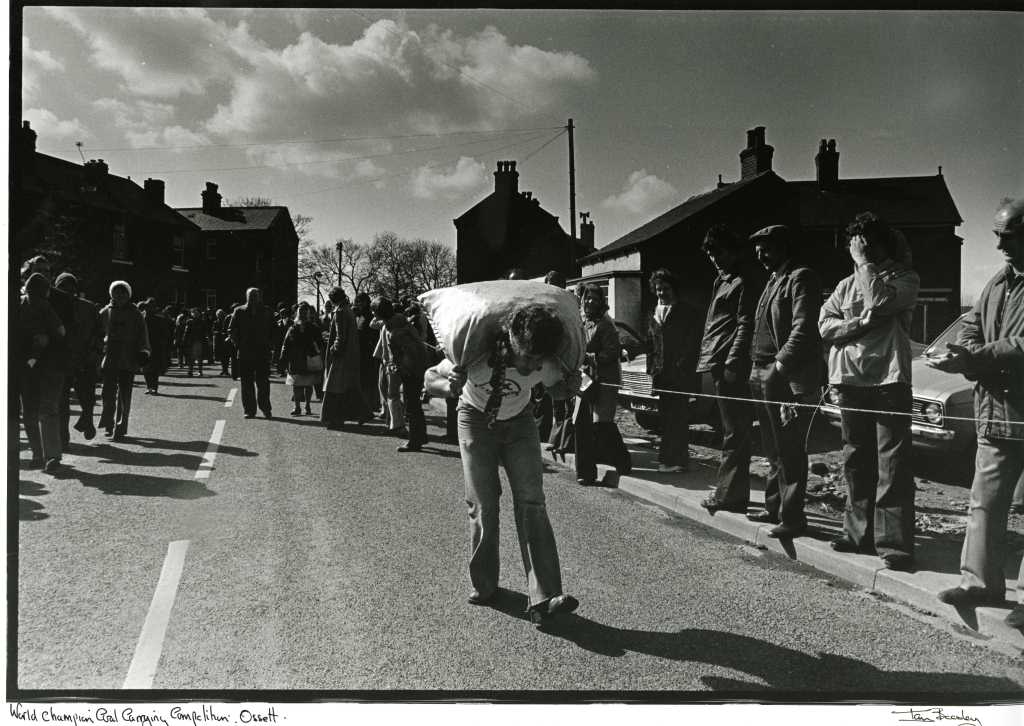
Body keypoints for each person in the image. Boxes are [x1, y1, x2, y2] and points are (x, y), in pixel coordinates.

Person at [424, 303, 580, 622]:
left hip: (520, 422)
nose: (530, 366)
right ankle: (485, 585)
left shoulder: (545, 361)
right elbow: (429, 380)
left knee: (532, 501)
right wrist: (448, 386)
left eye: (536, 361)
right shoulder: (476, 356)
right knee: (482, 503)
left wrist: (572, 385)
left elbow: (559, 388)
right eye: (525, 357)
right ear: (510, 342)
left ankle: (545, 597)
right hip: (474, 419)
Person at [927, 197, 1024, 627]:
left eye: (1008, 234)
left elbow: (1019, 346)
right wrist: (958, 348)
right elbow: (973, 323)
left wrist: (971, 359)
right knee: (983, 503)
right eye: (998, 234)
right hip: (995, 413)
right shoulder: (998, 283)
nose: (1000, 243)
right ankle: (978, 583)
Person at [819, 212, 920, 571]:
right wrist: (857, 324)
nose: (857, 249)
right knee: (855, 459)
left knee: (891, 463)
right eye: (855, 244)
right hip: (850, 380)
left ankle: (893, 544)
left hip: (888, 380)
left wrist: (863, 264)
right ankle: (857, 533)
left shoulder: (904, 278)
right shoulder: (846, 284)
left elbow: (879, 302)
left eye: (862, 244)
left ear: (876, 245)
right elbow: (825, 325)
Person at [744, 225, 823, 538]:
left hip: (786, 377)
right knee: (771, 447)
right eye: (758, 250)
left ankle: (792, 518)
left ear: (784, 247)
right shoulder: (772, 281)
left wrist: (779, 366)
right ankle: (774, 506)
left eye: (768, 248)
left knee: (789, 448)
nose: (761, 255)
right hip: (760, 371)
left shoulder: (801, 278)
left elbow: (803, 329)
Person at [695, 225, 765, 515]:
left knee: (735, 432)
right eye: (710, 254)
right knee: (730, 430)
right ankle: (731, 492)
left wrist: (734, 362)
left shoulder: (744, 280)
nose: (714, 258)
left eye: (719, 252)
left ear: (734, 250)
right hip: (716, 360)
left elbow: (745, 324)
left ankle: (731, 495)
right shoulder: (721, 280)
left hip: (730, 363)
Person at [574, 284, 632, 485]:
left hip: (606, 379)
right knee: (581, 423)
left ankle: (623, 462)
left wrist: (589, 357)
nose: (590, 302)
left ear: (601, 302)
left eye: (595, 299)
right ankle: (585, 473)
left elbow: (612, 352)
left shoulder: (605, 324)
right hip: (586, 378)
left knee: (602, 425)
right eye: (587, 298)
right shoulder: (583, 321)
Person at [647, 268, 702, 473]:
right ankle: (666, 458)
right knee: (665, 418)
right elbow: (650, 345)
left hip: (680, 374)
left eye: (666, 289)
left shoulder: (687, 312)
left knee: (678, 419)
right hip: (661, 375)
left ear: (674, 289)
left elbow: (692, 344)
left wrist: (682, 367)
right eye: (659, 289)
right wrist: (651, 371)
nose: (662, 293)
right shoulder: (654, 312)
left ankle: (677, 460)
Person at [19, 272, 67, 472]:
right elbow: (61, 332)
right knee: (39, 411)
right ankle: (45, 455)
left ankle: (43, 455)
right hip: (34, 365)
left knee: (36, 411)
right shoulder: (44, 306)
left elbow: (59, 332)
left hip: (39, 366)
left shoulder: (24, 305)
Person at [97, 280, 151, 442]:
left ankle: (120, 427)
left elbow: (143, 335)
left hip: (128, 358)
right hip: (110, 358)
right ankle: (108, 422)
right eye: (116, 292)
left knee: (124, 395)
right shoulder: (105, 312)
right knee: (107, 393)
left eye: (123, 292)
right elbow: (96, 333)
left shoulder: (135, 314)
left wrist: (144, 351)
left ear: (128, 294)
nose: (119, 295)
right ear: (111, 293)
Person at [53, 272, 100, 442]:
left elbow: (98, 332)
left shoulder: (89, 307)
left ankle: (87, 420)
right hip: (61, 359)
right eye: (62, 286)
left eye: (71, 286)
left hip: (84, 357)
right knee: (62, 400)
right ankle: (63, 436)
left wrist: (94, 351)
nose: (67, 290)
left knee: (87, 397)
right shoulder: (52, 306)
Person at [321, 288, 371, 429]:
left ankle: (335, 419)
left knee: (334, 387)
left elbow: (340, 336)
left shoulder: (340, 312)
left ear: (332, 299)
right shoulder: (348, 309)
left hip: (341, 356)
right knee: (348, 386)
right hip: (351, 353)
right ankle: (361, 413)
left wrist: (333, 349)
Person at [387, 303, 429, 452]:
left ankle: (414, 441)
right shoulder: (402, 324)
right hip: (416, 368)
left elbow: (408, 352)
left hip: (411, 370)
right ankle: (420, 436)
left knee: (411, 406)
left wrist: (404, 369)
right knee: (414, 405)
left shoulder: (396, 331)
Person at [229, 287, 275, 419]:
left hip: (262, 352)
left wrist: (270, 345)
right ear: (247, 297)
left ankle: (266, 409)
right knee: (246, 382)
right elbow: (231, 330)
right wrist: (238, 344)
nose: (254, 298)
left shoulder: (266, 311)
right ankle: (249, 410)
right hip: (245, 352)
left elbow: (274, 330)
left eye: (256, 295)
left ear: (260, 297)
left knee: (263, 382)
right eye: (251, 295)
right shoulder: (239, 311)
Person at [542, 270, 572, 457]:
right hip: (552, 357)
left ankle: (565, 441)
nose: (551, 286)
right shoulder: (546, 303)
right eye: (549, 283)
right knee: (556, 401)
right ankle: (556, 438)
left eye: (554, 283)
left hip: (566, 357)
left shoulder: (567, 302)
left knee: (567, 401)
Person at [371, 297, 407, 437]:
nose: (373, 314)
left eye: (374, 311)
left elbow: (393, 350)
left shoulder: (390, 326)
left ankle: (398, 426)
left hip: (393, 365)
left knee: (392, 395)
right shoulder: (397, 321)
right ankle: (392, 424)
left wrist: (390, 365)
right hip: (393, 363)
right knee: (389, 393)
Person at [281, 303, 323, 416]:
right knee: (297, 384)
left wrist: (319, 355)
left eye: (305, 312)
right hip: (296, 359)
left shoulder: (312, 327)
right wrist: (283, 357)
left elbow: (320, 343)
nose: (303, 314)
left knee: (307, 383)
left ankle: (306, 406)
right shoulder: (293, 327)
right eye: (301, 312)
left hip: (306, 358)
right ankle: (298, 406)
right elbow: (286, 343)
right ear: (298, 313)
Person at [353, 292, 381, 414]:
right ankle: (367, 406)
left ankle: (370, 406)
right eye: (357, 301)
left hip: (369, 352)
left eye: (360, 301)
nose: (358, 304)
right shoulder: (359, 316)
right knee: (364, 381)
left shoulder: (369, 316)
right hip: (361, 352)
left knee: (369, 381)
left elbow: (374, 335)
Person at [141, 298, 173, 395]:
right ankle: (149, 387)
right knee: (146, 367)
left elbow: (165, 333)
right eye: (148, 306)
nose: (149, 309)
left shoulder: (159, 318)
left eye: (151, 306)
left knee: (153, 367)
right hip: (146, 345)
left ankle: (153, 387)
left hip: (155, 345)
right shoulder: (142, 317)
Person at [182, 307, 208, 376]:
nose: (195, 314)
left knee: (199, 357)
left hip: (199, 341)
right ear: (191, 314)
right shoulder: (189, 322)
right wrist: (184, 340)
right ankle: (190, 371)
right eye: (194, 313)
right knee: (191, 357)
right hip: (191, 341)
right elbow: (186, 332)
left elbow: (205, 332)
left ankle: (199, 371)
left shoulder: (202, 322)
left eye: (197, 313)